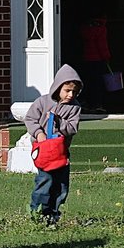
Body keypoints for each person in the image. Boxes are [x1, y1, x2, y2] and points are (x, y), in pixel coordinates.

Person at [23, 64, 83, 227]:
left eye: (74, 92)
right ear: (58, 87)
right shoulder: (42, 102)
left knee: (61, 184)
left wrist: (59, 122)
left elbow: (72, 128)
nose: (70, 95)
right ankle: (37, 213)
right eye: (67, 90)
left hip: (61, 152)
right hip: (44, 151)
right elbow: (30, 119)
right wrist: (39, 134)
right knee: (45, 181)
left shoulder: (74, 108)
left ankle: (53, 215)